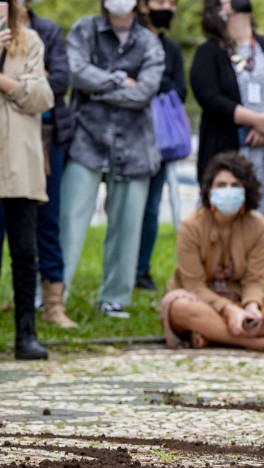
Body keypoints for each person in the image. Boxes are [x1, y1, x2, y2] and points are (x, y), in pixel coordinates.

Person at [60, 0, 165, 319]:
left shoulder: (149, 40)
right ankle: (52, 295)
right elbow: (76, 73)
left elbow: (145, 91)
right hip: (86, 140)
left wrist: (100, 88)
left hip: (135, 145)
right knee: (70, 219)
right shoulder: (84, 29)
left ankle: (114, 298)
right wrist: (121, 80)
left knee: (128, 224)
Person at [190, 0, 264, 297]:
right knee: (229, 222)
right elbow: (208, 96)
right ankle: (225, 295)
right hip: (231, 151)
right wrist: (257, 120)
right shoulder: (209, 52)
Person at [161, 152, 264, 353]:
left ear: (246, 191)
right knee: (178, 307)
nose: (228, 191)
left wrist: (251, 308)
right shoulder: (191, 226)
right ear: (210, 191)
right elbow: (194, 286)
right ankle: (261, 344)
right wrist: (228, 310)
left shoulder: (258, 225)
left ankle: (212, 336)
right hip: (201, 303)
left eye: (235, 185)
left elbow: (253, 281)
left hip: (239, 303)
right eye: (221, 185)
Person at [0, 0, 77, 329]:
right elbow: (31, 88)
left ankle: (45, 311)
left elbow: (50, 90)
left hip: (32, 150)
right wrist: (20, 85)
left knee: (35, 233)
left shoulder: (36, 37)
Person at [0, 0, 54, 358]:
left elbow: (42, 96)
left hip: (19, 165)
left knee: (24, 251)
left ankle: (26, 335)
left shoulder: (31, 42)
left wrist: (5, 82)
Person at [135, 0, 186, 292]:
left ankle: (141, 270)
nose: (166, 7)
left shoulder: (173, 49)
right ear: (142, 5)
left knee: (151, 207)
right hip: (128, 138)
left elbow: (180, 89)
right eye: (160, 1)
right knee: (126, 207)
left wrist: (150, 82)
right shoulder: (131, 40)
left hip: (161, 140)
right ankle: (122, 267)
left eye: (171, 2)